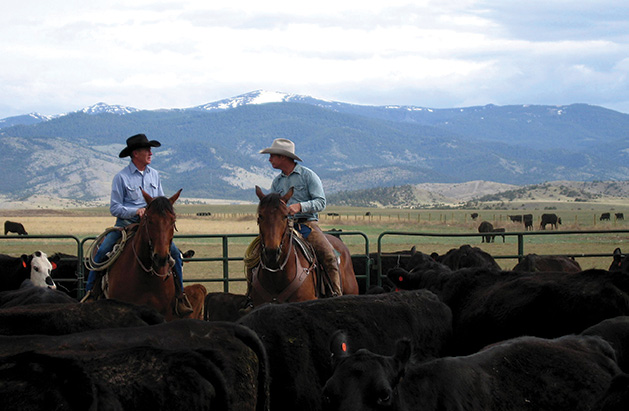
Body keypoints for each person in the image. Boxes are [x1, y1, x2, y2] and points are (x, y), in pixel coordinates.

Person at [84, 133, 193, 315]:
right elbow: (115, 207)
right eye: (146, 150)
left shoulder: (155, 175)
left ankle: (179, 297)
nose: (150, 153)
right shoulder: (121, 177)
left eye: (150, 150)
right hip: (125, 226)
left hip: (151, 226)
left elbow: (160, 201)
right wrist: (135, 211)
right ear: (135, 154)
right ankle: (90, 294)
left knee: (175, 254)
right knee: (102, 251)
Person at [259, 138, 342, 296]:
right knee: (254, 255)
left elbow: (321, 202)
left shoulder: (308, 176)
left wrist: (300, 207)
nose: (269, 159)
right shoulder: (277, 182)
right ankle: (252, 296)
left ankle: (335, 295)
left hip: (307, 225)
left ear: (283, 157)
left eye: (272, 156)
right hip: (283, 225)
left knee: (329, 256)